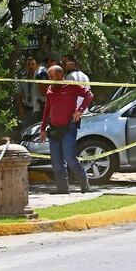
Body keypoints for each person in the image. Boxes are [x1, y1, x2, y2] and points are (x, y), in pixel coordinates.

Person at [39, 65, 96, 194]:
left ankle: (84, 183)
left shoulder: (72, 86)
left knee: (69, 158)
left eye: (52, 77)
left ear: (61, 75)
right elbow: (47, 109)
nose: (50, 80)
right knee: (56, 161)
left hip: (69, 128)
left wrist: (79, 111)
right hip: (54, 129)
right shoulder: (50, 89)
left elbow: (89, 95)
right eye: (49, 77)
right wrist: (43, 129)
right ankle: (62, 188)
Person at [16, 56, 39, 128]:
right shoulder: (23, 81)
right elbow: (19, 96)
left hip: (40, 110)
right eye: (28, 65)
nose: (31, 67)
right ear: (26, 67)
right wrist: (21, 109)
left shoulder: (42, 79)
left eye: (33, 64)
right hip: (28, 110)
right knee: (26, 131)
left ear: (37, 66)